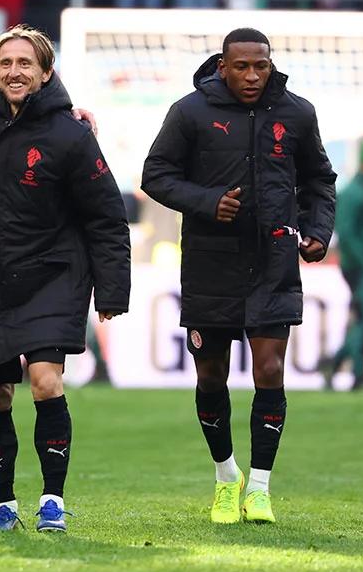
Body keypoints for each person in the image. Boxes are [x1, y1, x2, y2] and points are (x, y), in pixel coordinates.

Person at [141, 27, 336, 525]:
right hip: (210, 263)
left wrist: (317, 230)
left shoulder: (297, 113)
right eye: (242, 67)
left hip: (273, 262)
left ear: (271, 65)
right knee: (211, 375)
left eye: (261, 66)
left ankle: (261, 489)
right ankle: (227, 477)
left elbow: (319, 180)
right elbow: (155, 175)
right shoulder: (189, 112)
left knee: (270, 369)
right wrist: (208, 202)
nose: (252, 76)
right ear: (222, 66)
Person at [0, 25, 130, 532]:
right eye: (5, 63)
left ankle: (52, 500)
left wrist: (112, 288)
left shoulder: (71, 135)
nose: (14, 72)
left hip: (51, 276)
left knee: (46, 381)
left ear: (46, 72)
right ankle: (4, 504)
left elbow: (106, 217)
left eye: (25, 63)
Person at [320, 137, 363, 391]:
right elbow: (346, 233)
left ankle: (354, 373)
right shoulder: (352, 193)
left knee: (362, 318)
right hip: (360, 266)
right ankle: (341, 366)